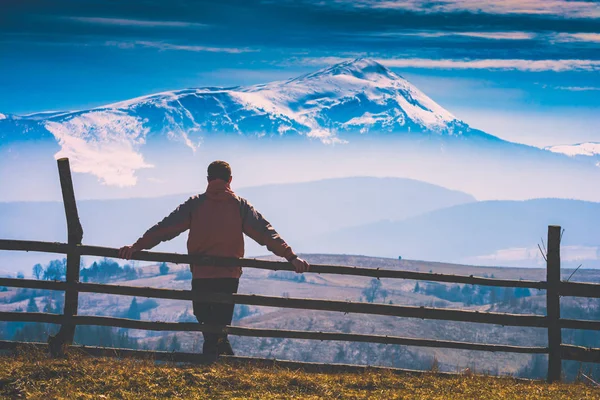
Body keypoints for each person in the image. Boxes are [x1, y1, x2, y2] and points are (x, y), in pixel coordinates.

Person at [118, 161, 309, 357]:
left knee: (208, 326)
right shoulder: (240, 206)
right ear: (230, 180)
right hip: (229, 276)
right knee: (219, 327)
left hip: (201, 275)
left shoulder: (195, 204)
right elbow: (265, 233)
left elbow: (165, 228)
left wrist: (137, 246)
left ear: (208, 179)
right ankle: (223, 367)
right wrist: (290, 256)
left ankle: (214, 367)